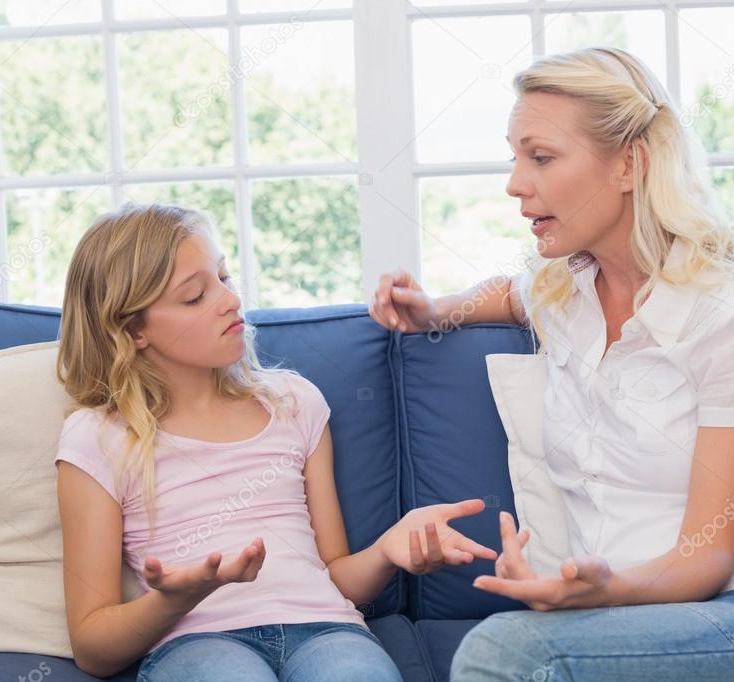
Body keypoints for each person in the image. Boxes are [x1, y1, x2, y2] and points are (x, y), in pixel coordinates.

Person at [369, 47, 734, 681]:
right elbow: (508, 294)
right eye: (515, 158)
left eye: (540, 157)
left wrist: (602, 590)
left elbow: (706, 559)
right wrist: (435, 311)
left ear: (629, 164)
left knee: (505, 650)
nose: (516, 183)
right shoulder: (565, 290)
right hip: (626, 621)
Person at [54, 203, 497, 681]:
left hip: (328, 630)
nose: (229, 301)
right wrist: (176, 599)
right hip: (198, 642)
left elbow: (336, 577)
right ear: (132, 329)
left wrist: (388, 550)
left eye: (224, 277)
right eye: (194, 297)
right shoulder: (99, 438)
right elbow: (93, 647)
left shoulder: (292, 401)